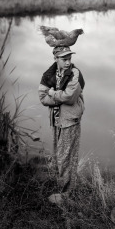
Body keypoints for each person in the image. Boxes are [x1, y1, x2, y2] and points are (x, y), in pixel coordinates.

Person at [38, 46, 85, 203]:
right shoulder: (49, 75)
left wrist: (53, 93)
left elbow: (70, 98)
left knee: (67, 158)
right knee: (60, 157)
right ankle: (66, 191)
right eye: (64, 59)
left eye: (69, 58)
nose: (68, 62)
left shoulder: (74, 73)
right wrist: (58, 97)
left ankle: (67, 194)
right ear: (55, 58)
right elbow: (42, 97)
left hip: (70, 121)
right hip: (56, 121)